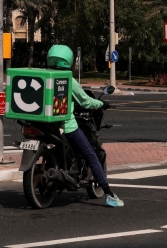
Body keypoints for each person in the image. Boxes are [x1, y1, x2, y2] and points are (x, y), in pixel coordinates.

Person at [46, 44, 123, 207]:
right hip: (65, 125)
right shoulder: (67, 79)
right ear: (68, 61)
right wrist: (101, 104)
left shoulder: (44, 76)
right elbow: (84, 101)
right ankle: (109, 194)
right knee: (90, 154)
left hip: (44, 125)